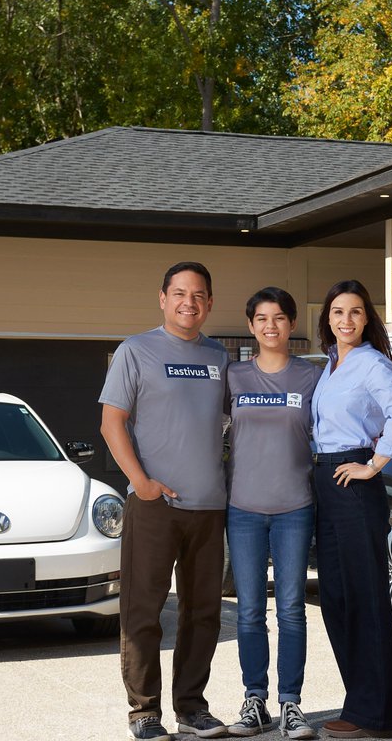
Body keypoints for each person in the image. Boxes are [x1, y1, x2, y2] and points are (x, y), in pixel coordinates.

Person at [99, 262, 231, 741]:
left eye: (198, 295)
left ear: (210, 303)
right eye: (179, 293)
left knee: (203, 614)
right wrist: (142, 482)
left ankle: (192, 708)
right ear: (162, 298)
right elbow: (111, 422)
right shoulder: (135, 351)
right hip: (154, 506)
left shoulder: (219, 357)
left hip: (209, 506)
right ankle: (144, 712)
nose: (188, 303)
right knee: (143, 611)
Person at [309, 280, 392, 739]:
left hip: (352, 482)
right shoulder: (332, 363)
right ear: (327, 319)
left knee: (363, 598)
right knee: (336, 596)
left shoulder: (372, 362)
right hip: (327, 481)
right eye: (337, 312)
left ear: (367, 319)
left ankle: (371, 714)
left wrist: (373, 465)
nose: (346, 320)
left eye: (355, 312)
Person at [223, 287, 321, 740]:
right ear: (250, 326)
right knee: (248, 613)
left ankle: (292, 705)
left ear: (292, 324)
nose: (270, 326)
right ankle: (254, 699)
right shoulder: (233, 377)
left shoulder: (312, 377)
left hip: (294, 509)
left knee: (291, 610)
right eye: (261, 318)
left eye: (279, 318)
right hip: (243, 509)